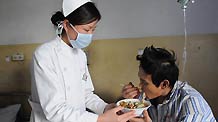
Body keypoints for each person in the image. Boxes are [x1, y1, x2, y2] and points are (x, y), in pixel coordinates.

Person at [29, 0, 136, 122]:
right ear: (66, 24)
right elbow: (54, 110)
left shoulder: (80, 55)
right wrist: (100, 119)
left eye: (93, 29)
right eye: (86, 30)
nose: (90, 35)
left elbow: (86, 94)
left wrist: (105, 108)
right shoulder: (44, 54)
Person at [121, 46, 216, 122]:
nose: (140, 86)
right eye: (140, 80)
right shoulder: (151, 95)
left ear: (164, 84)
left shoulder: (192, 108)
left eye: (144, 82)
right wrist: (129, 101)